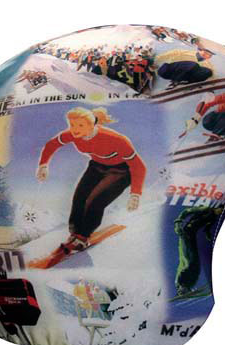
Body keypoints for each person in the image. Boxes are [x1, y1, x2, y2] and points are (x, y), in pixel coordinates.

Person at [36, 107, 147, 253]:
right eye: (72, 125)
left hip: (121, 171)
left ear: (92, 125)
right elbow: (52, 144)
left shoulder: (117, 139)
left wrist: (135, 194)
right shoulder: (72, 134)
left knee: (95, 201)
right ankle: (75, 234)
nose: (75, 129)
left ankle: (83, 237)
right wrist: (43, 165)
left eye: (80, 125)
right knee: (79, 198)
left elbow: (139, 166)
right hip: (96, 167)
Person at [173, 205, 224, 296]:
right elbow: (186, 211)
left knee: (196, 264)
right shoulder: (206, 209)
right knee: (189, 262)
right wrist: (178, 222)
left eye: (221, 211)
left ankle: (187, 287)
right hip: (186, 233)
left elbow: (207, 228)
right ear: (217, 208)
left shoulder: (213, 217)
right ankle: (181, 286)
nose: (219, 212)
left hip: (192, 235)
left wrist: (208, 235)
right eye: (219, 210)